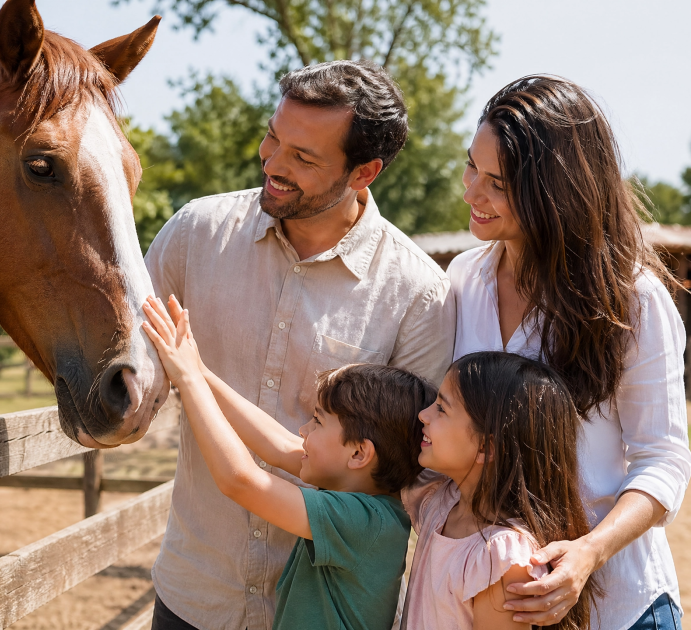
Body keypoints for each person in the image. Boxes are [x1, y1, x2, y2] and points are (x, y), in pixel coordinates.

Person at [144, 59, 455, 630]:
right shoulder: (195, 233)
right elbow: (132, 357)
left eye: (304, 157)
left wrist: (193, 377)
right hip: (194, 596)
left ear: (364, 172)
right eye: (273, 138)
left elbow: (414, 470)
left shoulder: (418, 294)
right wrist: (189, 372)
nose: (274, 164)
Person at [450, 75, 691, 628]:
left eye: (498, 182)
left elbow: (664, 461)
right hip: (496, 605)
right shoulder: (463, 281)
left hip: (619, 607)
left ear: (555, 192)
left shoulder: (632, 299)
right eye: (471, 167)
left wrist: (588, 553)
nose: (471, 192)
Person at [141, 294, 436, 630]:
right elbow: (278, 445)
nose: (302, 430)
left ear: (358, 454)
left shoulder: (364, 522)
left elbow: (240, 480)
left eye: (317, 421)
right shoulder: (363, 494)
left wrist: (188, 381)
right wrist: (200, 371)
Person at [400, 351, 598, 630]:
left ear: (487, 447)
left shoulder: (502, 559)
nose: (424, 415)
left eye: (442, 409)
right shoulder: (442, 503)